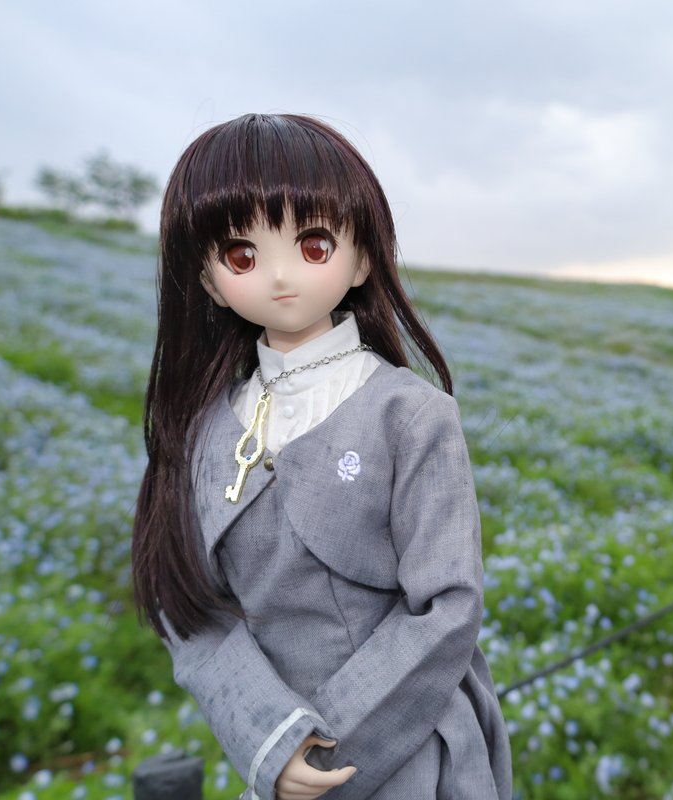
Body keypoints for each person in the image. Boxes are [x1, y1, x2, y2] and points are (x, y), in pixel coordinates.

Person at [130, 113, 513, 800]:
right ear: (209, 281)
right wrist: (270, 740)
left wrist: (325, 748)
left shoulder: (409, 413)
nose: (281, 276)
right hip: (274, 765)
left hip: (406, 751)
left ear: (362, 257)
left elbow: (447, 608)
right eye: (242, 255)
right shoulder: (203, 430)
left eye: (313, 245)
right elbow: (189, 609)